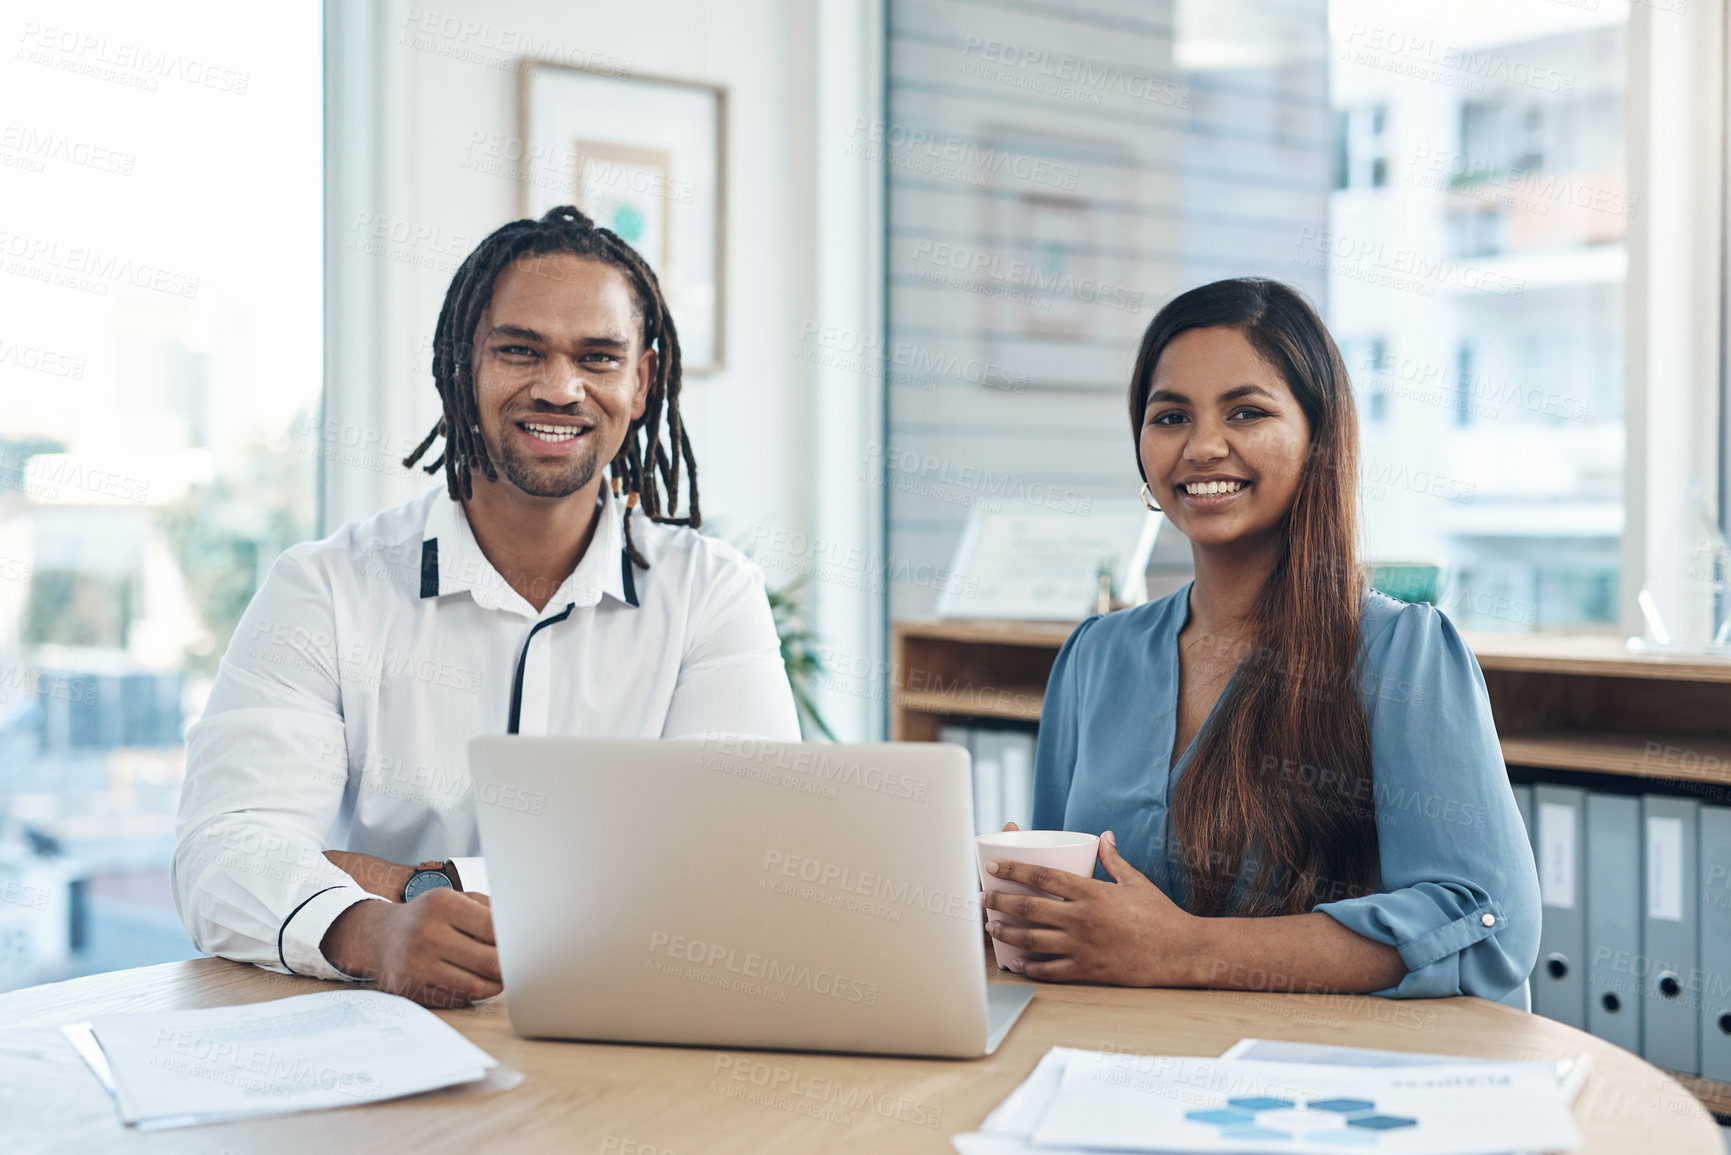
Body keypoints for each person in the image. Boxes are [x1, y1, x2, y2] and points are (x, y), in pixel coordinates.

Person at [173, 207, 800, 1006]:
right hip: (388, 1032)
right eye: (519, 351)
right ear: (461, 363)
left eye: (597, 357)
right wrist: (375, 933)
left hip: (629, 1031)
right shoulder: (323, 588)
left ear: (640, 383)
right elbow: (224, 850)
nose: (559, 387)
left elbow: (734, 857)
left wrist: (417, 884)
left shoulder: (712, 592)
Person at [980, 278, 1540, 999]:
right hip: (1114, 1065)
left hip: (1320, 1083)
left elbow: (1485, 921)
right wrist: (1019, 909)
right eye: (1170, 415)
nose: (1202, 446)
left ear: (1317, 438)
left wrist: (1185, 948)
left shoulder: (1403, 653)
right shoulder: (1095, 656)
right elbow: (1076, 916)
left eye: (1245, 411)